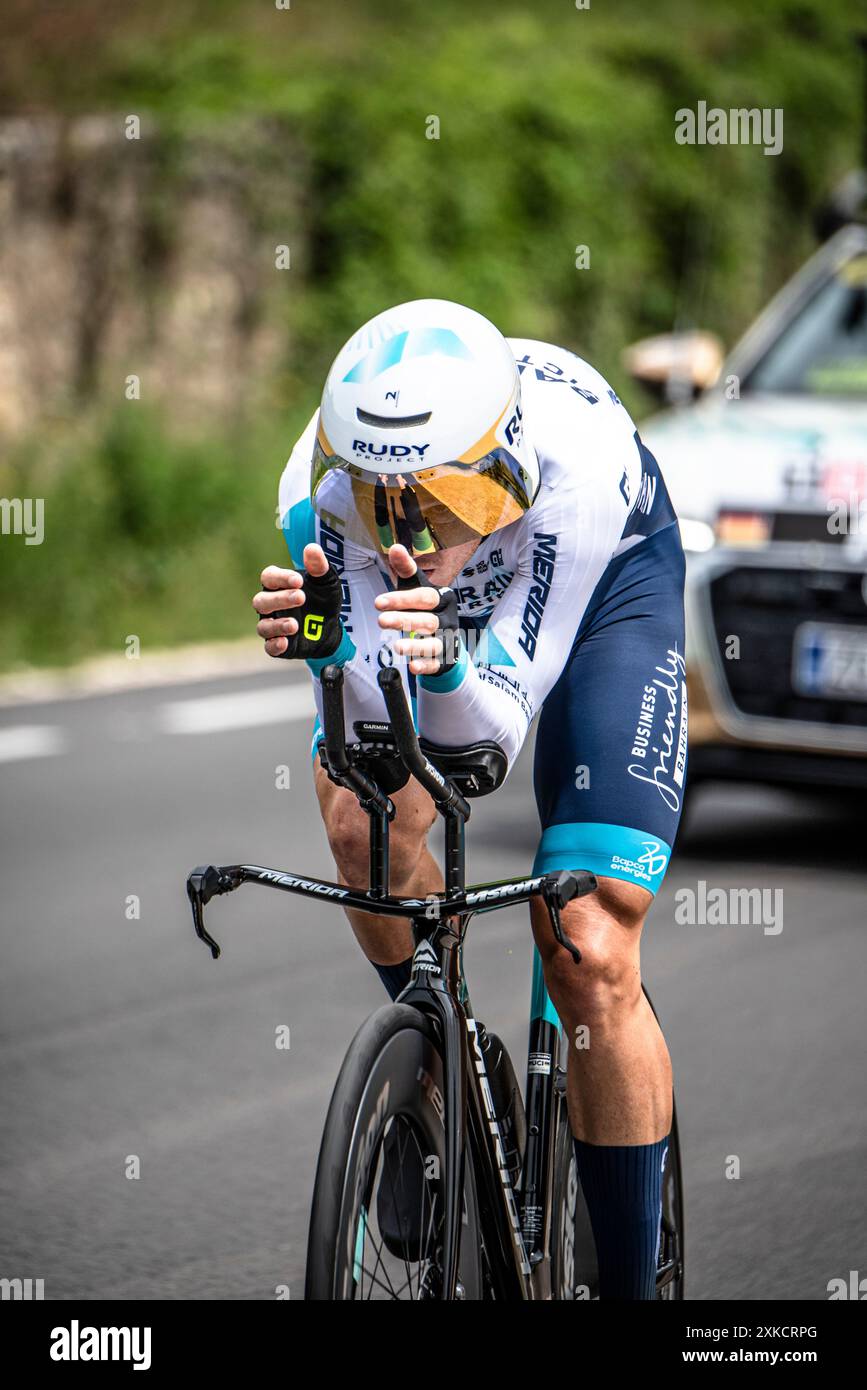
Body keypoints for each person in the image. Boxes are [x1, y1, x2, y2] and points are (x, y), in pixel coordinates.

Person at [253, 298, 687, 1299]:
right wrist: (331, 654)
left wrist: (445, 663)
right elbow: (374, 744)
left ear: (501, 474)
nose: (410, 531)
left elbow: (485, 744)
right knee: (361, 810)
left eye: (445, 503)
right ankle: (438, 1075)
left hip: (601, 591)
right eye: (381, 505)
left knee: (588, 940)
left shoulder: (570, 481)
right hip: (446, 633)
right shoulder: (317, 495)